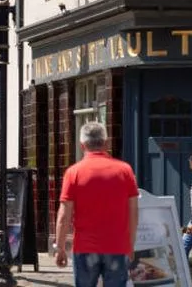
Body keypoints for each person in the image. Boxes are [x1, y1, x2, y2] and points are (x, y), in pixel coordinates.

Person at [54, 122, 139, 287]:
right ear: (106, 143)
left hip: (85, 248)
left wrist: (60, 247)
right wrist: (130, 244)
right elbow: (133, 212)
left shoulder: (73, 173)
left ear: (82, 145)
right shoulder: (125, 170)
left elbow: (64, 215)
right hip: (117, 246)